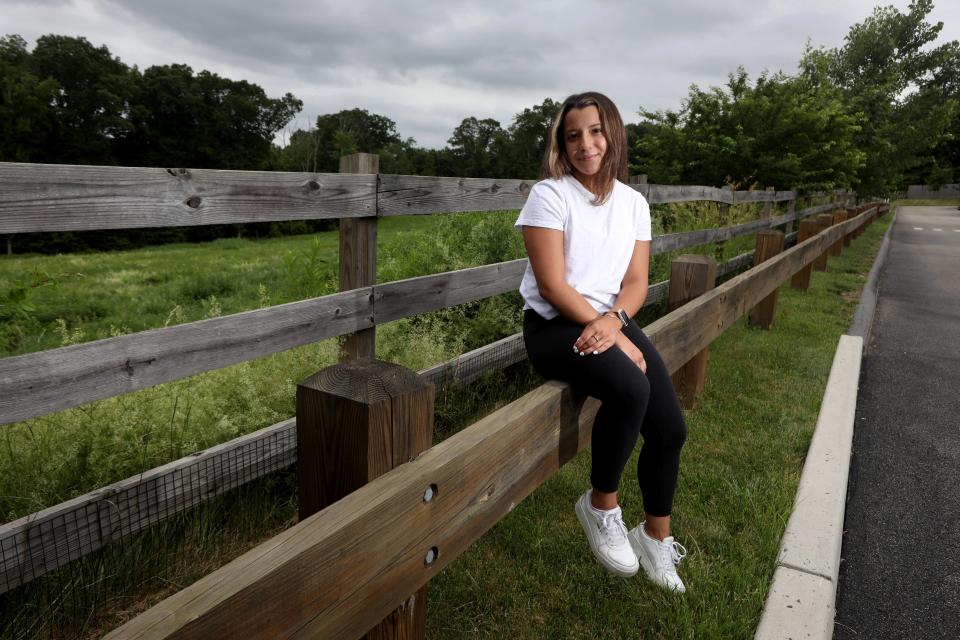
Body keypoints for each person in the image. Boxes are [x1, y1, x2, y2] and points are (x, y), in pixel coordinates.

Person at [515, 91, 688, 592]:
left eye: (595, 131)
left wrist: (615, 324)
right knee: (631, 388)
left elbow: (636, 282)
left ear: (612, 133)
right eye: (573, 135)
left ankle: (655, 538)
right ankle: (600, 505)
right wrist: (608, 328)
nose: (585, 144)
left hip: (611, 318)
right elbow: (552, 286)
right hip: (554, 325)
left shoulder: (634, 203)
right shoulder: (550, 195)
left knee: (671, 429)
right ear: (562, 144)